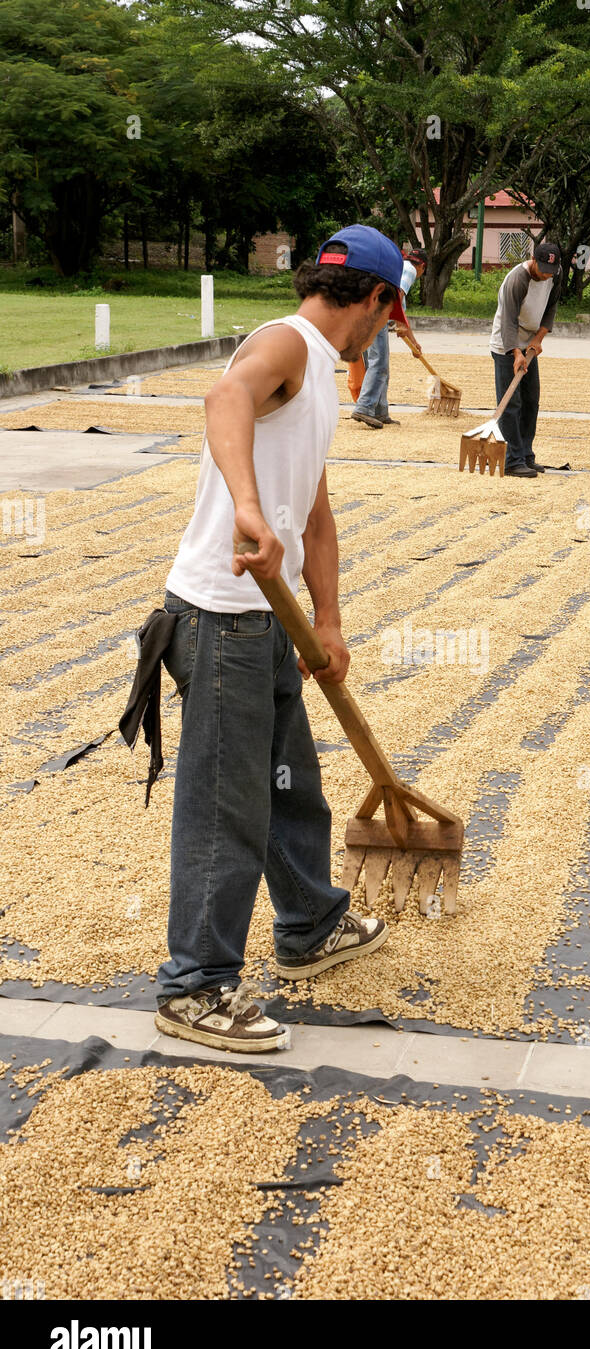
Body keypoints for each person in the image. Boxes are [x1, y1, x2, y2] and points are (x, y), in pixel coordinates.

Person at [153, 224, 407, 1053]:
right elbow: (224, 400)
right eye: (390, 310)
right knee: (226, 804)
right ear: (375, 299)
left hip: (267, 617)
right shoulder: (285, 344)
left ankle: (307, 924)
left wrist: (327, 621)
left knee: (290, 785)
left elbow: (320, 512)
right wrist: (249, 509)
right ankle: (195, 988)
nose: (387, 324)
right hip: (218, 614)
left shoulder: (324, 375)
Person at [488, 242, 561, 477]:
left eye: (551, 269)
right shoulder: (517, 279)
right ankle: (512, 460)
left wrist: (538, 340)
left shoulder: (554, 276)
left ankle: (526, 455)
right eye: (543, 268)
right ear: (532, 260)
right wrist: (515, 352)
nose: (547, 273)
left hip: (529, 345)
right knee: (511, 405)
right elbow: (507, 320)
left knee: (531, 401)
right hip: (505, 345)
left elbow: (550, 309)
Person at [351, 246, 426, 427]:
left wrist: (414, 344)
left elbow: (402, 317)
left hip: (364, 314)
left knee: (375, 364)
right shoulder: (408, 269)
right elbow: (398, 296)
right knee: (380, 364)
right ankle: (364, 407)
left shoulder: (396, 270)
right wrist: (400, 326)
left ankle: (380, 411)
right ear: (422, 266)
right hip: (375, 316)